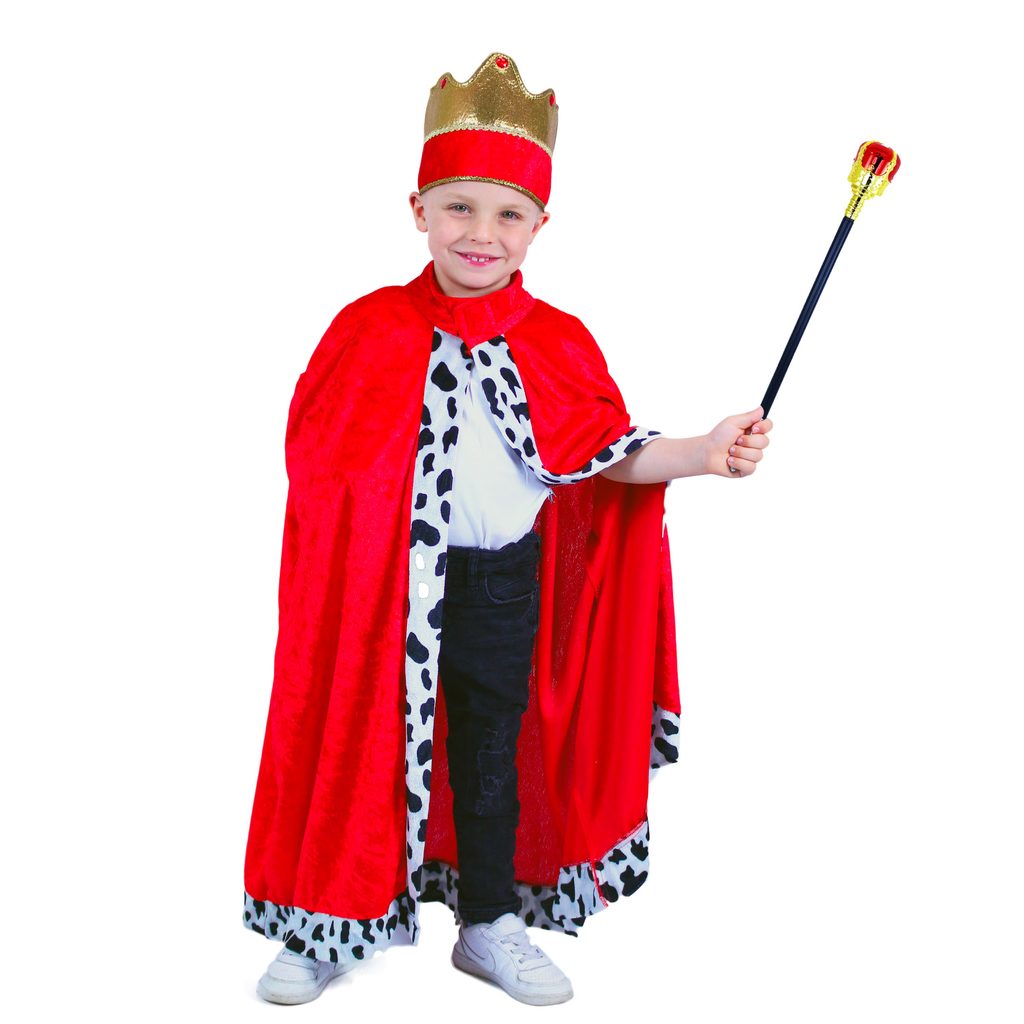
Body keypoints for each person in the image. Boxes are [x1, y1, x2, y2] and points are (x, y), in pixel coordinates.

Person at [244, 52, 773, 1007]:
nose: (481, 234)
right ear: (418, 210)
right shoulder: (365, 330)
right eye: (459, 207)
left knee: (491, 758)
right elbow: (321, 471)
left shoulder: (557, 341)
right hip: (380, 591)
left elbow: (604, 455)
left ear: (539, 226)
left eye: (508, 214)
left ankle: (488, 923)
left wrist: (704, 450)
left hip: (501, 586)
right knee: (356, 745)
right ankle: (328, 921)